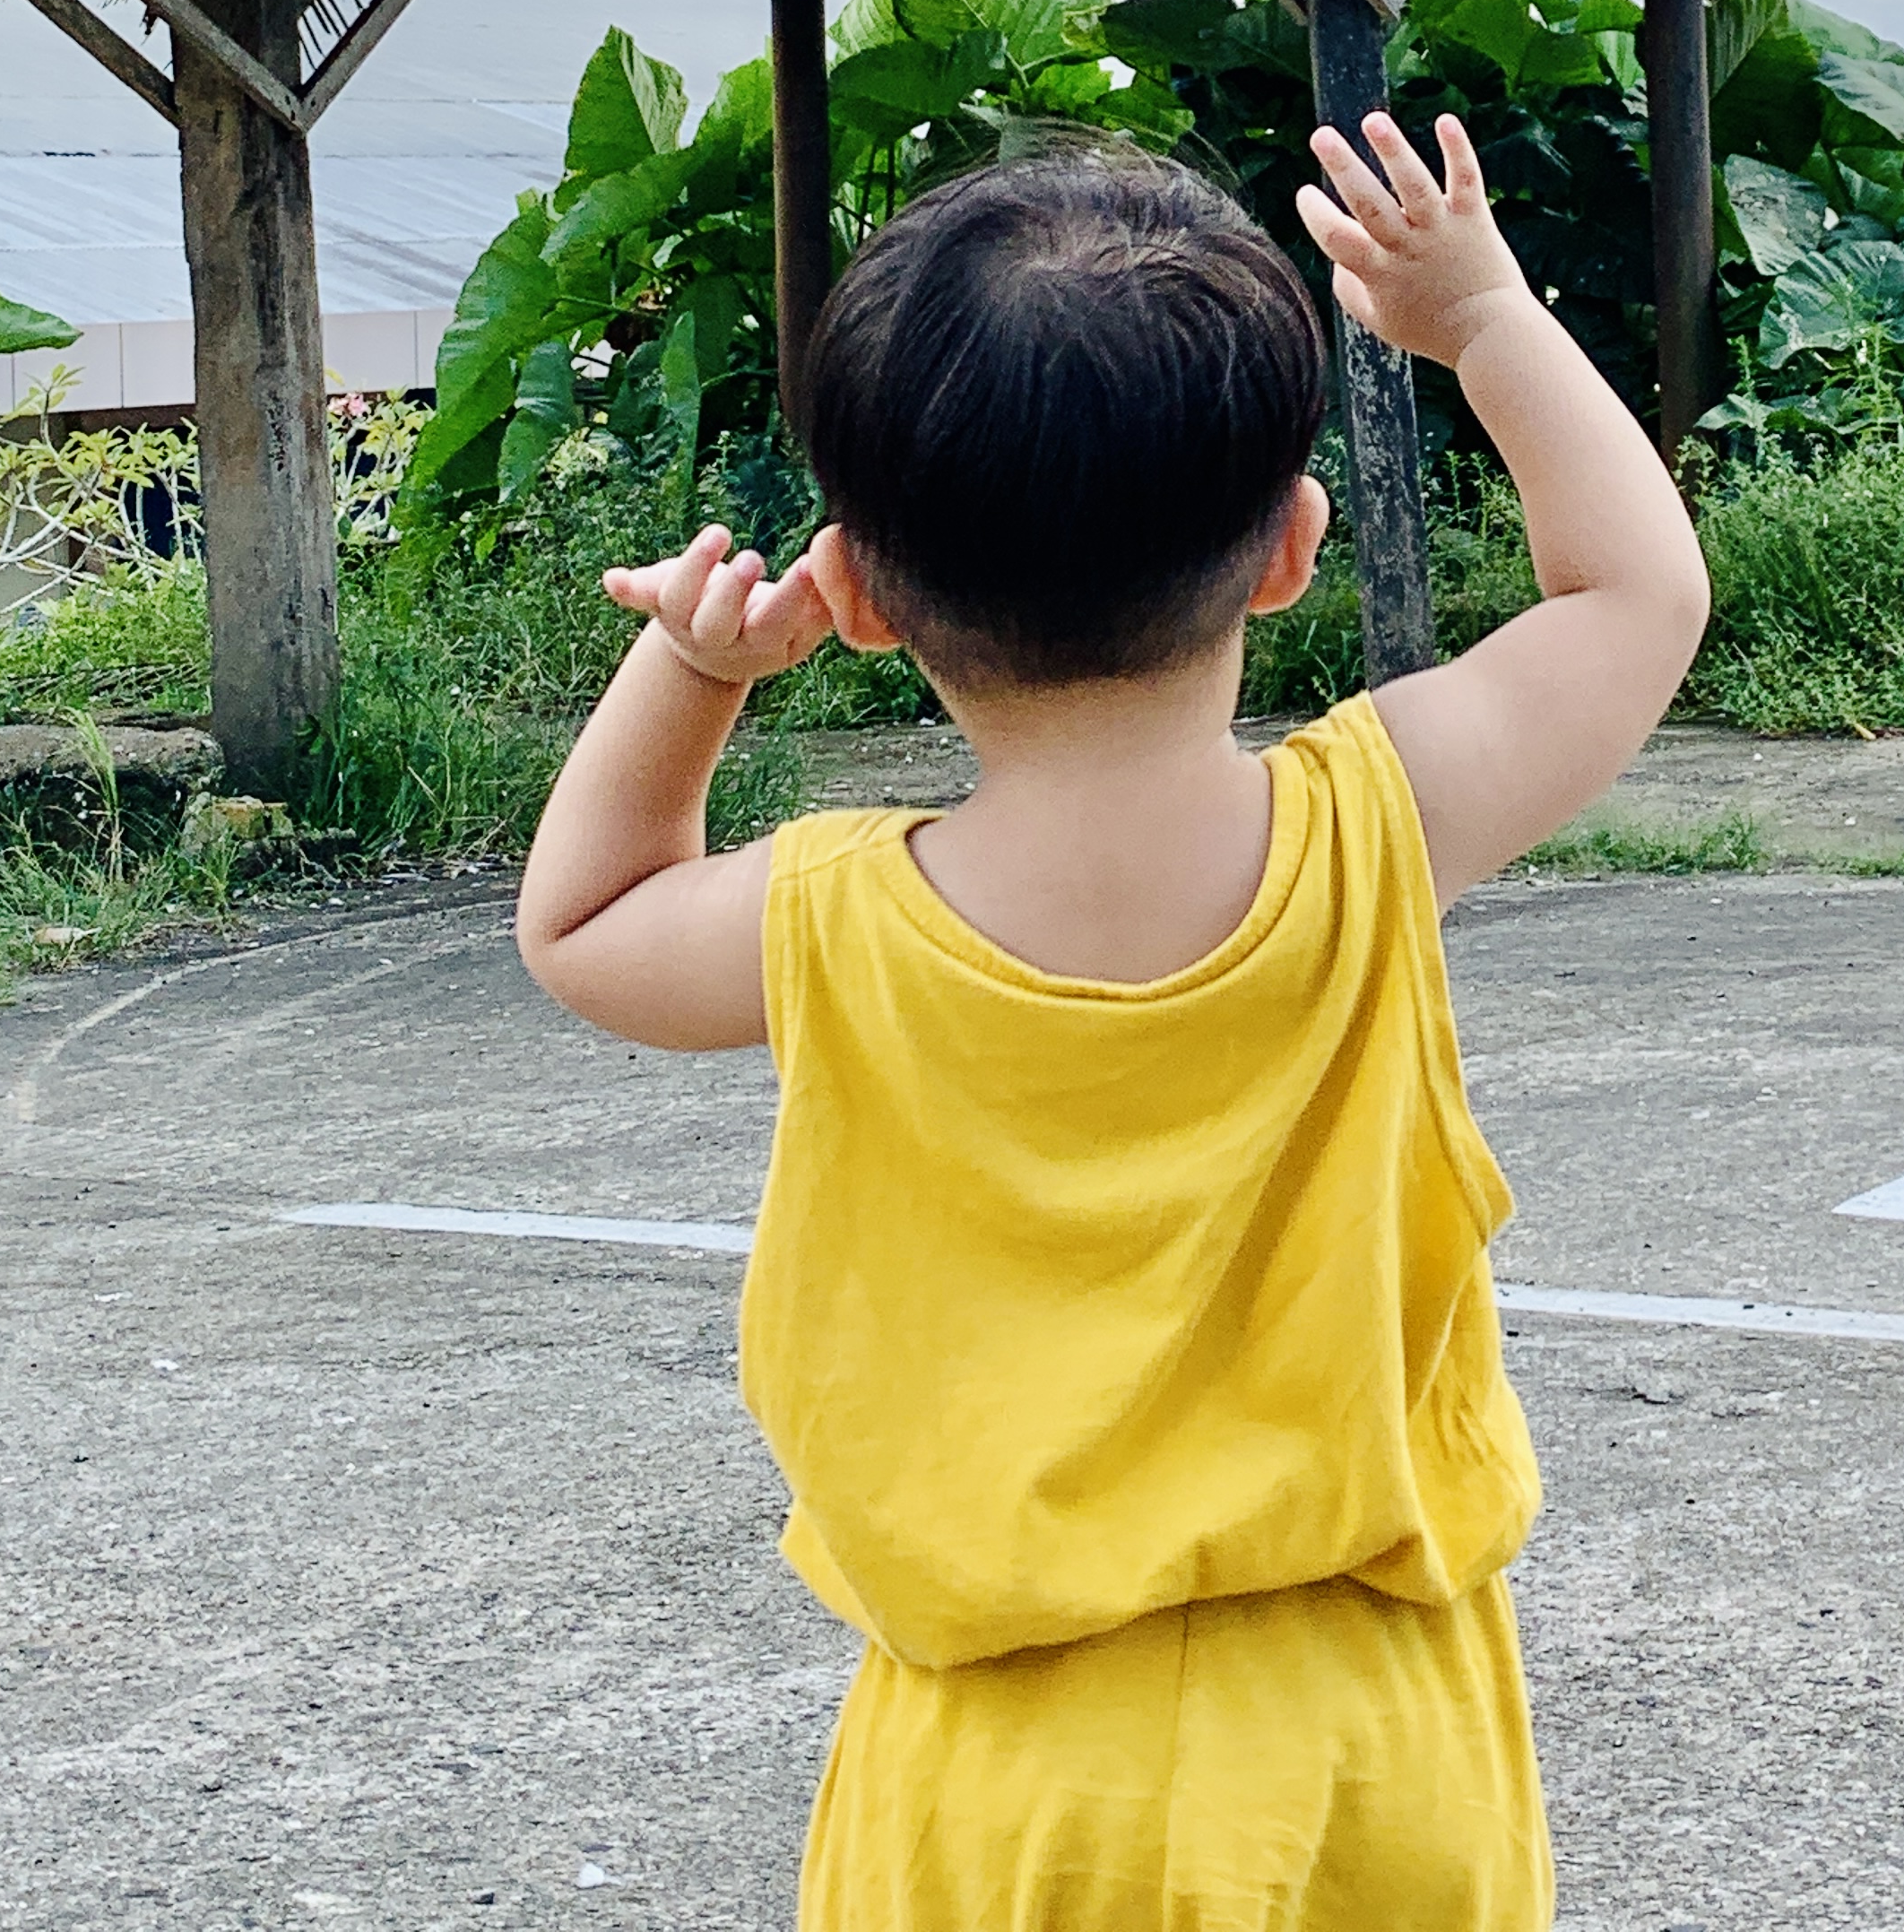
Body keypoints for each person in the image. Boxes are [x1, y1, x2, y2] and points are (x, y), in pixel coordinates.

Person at [516, 109, 1709, 1929]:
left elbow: (584, 922)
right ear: (1289, 548)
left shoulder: (831, 918)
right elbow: (1637, 592)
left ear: (858, 595)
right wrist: (1480, 316)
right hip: (1378, 1748)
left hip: (1003, 1784)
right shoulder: (1380, 822)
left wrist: (691, 667)